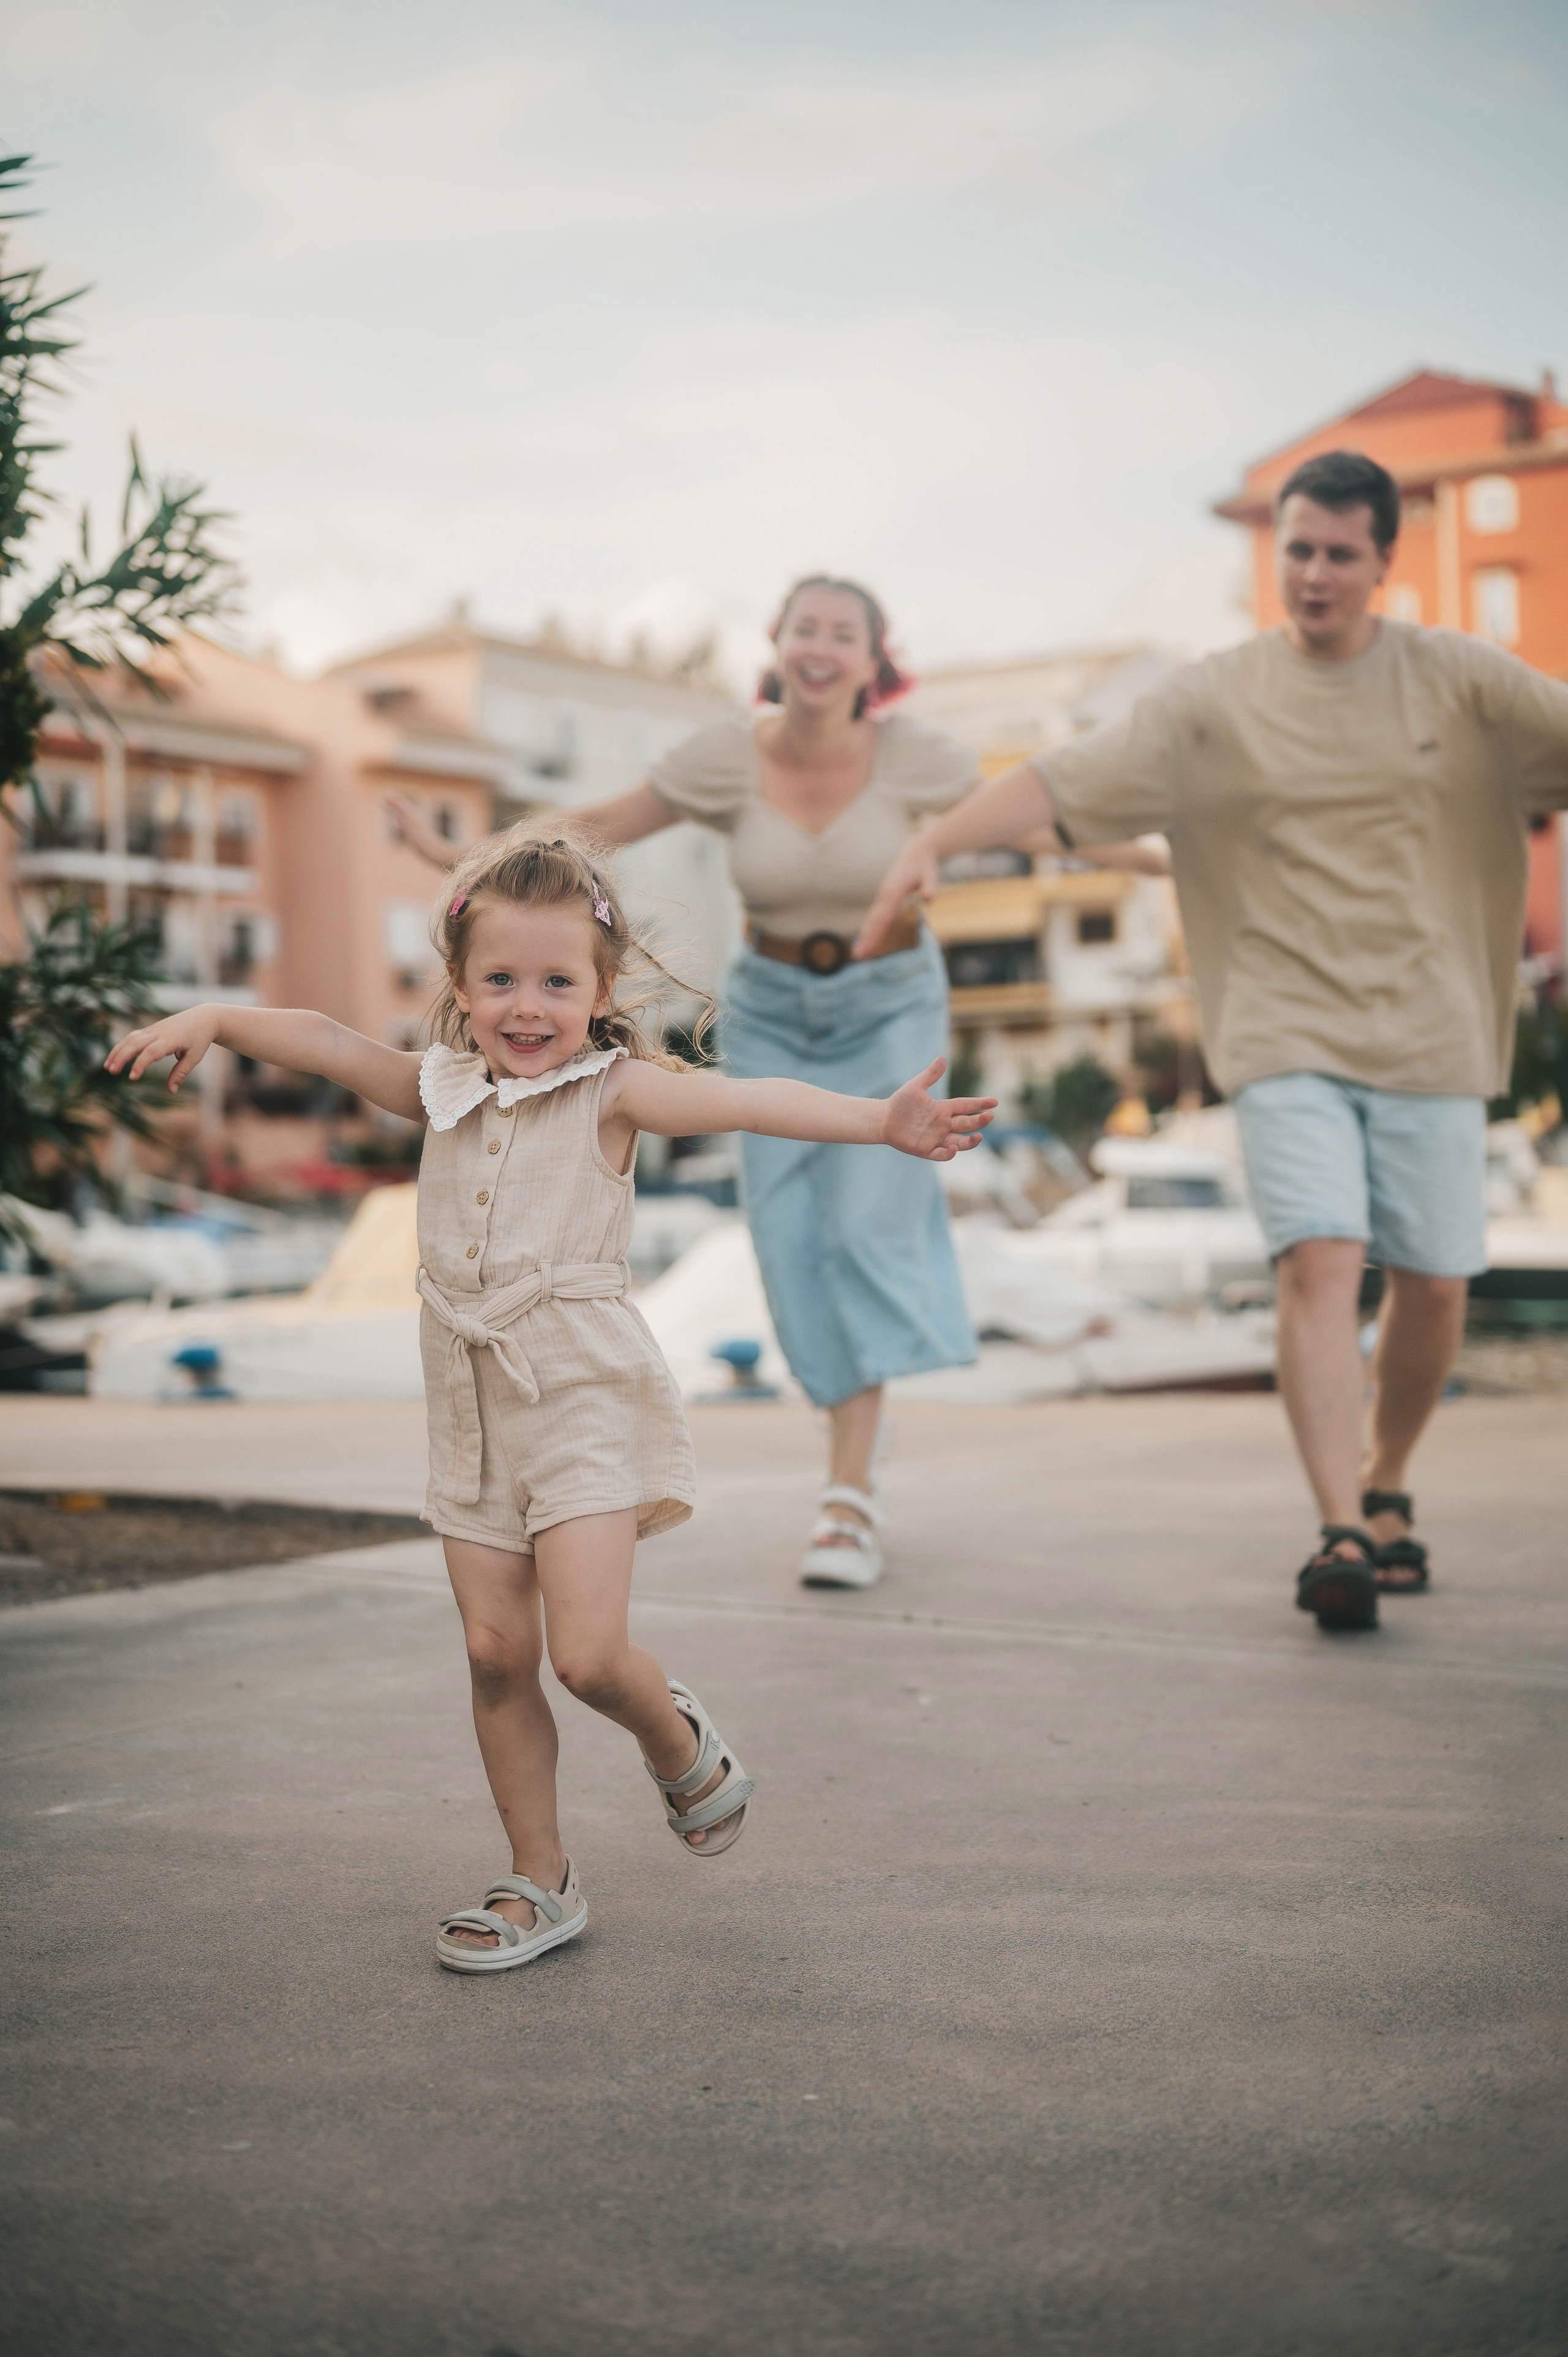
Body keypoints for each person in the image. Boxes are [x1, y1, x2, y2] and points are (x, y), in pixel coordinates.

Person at [106, 829, 995, 1972]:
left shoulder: (614, 1093)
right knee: (491, 1654)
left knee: (585, 1657)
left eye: (558, 983)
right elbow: (327, 1042)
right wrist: (219, 1021)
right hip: (470, 1402)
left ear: (601, 990)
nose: (529, 1008)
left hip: (581, 1394)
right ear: (464, 991)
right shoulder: (440, 1091)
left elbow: (747, 1101)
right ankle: (541, 1878)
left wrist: (880, 1120)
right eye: (502, 982)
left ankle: (678, 1744)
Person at [857, 450, 1568, 1632]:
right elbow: (1059, 776)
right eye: (1298, 549)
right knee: (1319, 1258)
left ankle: (1389, 1480)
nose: (1317, 573)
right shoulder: (1215, 698)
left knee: (1436, 1282)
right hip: (1282, 1024)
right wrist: (935, 840)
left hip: (1435, 1026)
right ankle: (1341, 1525)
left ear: (1384, 561)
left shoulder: (1462, 682)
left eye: (1342, 552)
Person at [392, 575, 1155, 1590]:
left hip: (888, 999)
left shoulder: (916, 756)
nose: (822, 646)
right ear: (779, 642)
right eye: (807, 627)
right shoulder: (726, 755)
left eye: (846, 633)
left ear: (875, 660)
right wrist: (464, 854)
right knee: (790, 1238)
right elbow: (602, 824)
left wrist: (1163, 860)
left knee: (864, 1227)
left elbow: (1028, 825)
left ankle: (848, 1494)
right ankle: (848, 1436)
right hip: (774, 1001)